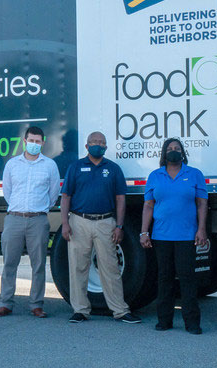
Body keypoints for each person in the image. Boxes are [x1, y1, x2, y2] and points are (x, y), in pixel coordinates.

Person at [60, 131, 141, 324]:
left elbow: (120, 199)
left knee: (110, 268)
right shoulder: (76, 167)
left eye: (102, 142)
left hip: (106, 222)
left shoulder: (113, 169)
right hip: (79, 221)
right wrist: (65, 223)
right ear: (87, 146)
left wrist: (119, 225)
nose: (98, 144)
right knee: (78, 268)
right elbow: (66, 197)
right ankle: (80, 310)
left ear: (106, 146)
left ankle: (120, 311)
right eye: (94, 142)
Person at [140, 138, 209, 334]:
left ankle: (192, 323)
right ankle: (164, 321)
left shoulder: (194, 174)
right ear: (164, 153)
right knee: (164, 278)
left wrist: (201, 228)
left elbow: (202, 204)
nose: (173, 151)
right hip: (161, 236)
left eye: (177, 148)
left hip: (187, 236)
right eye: (169, 149)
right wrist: (144, 232)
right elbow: (148, 205)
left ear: (183, 152)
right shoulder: (155, 175)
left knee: (187, 279)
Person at [0, 126, 60, 319]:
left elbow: (53, 194)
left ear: (43, 143)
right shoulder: (12, 165)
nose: (34, 144)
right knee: (9, 264)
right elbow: (8, 192)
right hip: (14, 218)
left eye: (37, 141)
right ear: (24, 141)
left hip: (38, 220)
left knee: (38, 265)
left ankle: (36, 305)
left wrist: (40, 208)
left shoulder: (49, 166)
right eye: (31, 141)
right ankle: (5, 304)